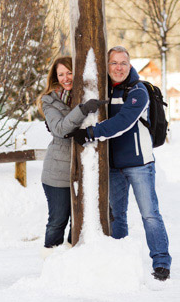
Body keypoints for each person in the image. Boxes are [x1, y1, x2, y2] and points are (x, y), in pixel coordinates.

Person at [73, 45, 171, 281]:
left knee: (149, 214)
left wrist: (91, 133)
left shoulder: (139, 91)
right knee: (117, 215)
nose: (118, 68)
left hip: (140, 164)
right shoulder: (104, 89)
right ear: (107, 67)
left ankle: (161, 262)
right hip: (114, 165)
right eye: (114, 63)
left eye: (123, 63)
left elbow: (124, 122)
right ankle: (121, 261)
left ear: (130, 65)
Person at [38, 56, 106, 249]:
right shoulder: (49, 101)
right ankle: (50, 261)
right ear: (55, 77)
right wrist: (82, 110)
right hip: (57, 171)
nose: (66, 78)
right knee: (58, 220)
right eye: (61, 74)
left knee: (79, 219)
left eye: (69, 72)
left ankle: (69, 261)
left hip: (84, 168)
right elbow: (60, 129)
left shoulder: (84, 94)